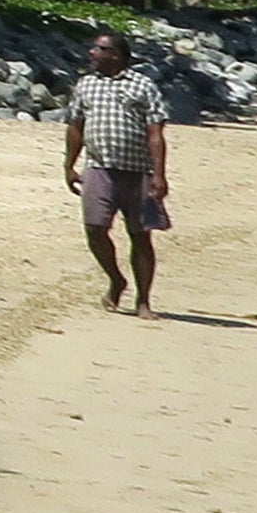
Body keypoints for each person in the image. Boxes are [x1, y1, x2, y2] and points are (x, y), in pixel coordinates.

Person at [63, 28, 174, 313]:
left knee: (140, 235)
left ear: (116, 54)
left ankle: (143, 300)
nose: (92, 53)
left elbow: (155, 134)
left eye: (99, 49)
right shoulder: (85, 85)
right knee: (95, 229)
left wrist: (159, 175)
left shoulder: (143, 86)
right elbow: (75, 127)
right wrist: (69, 165)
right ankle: (115, 279)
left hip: (138, 172)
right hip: (99, 168)